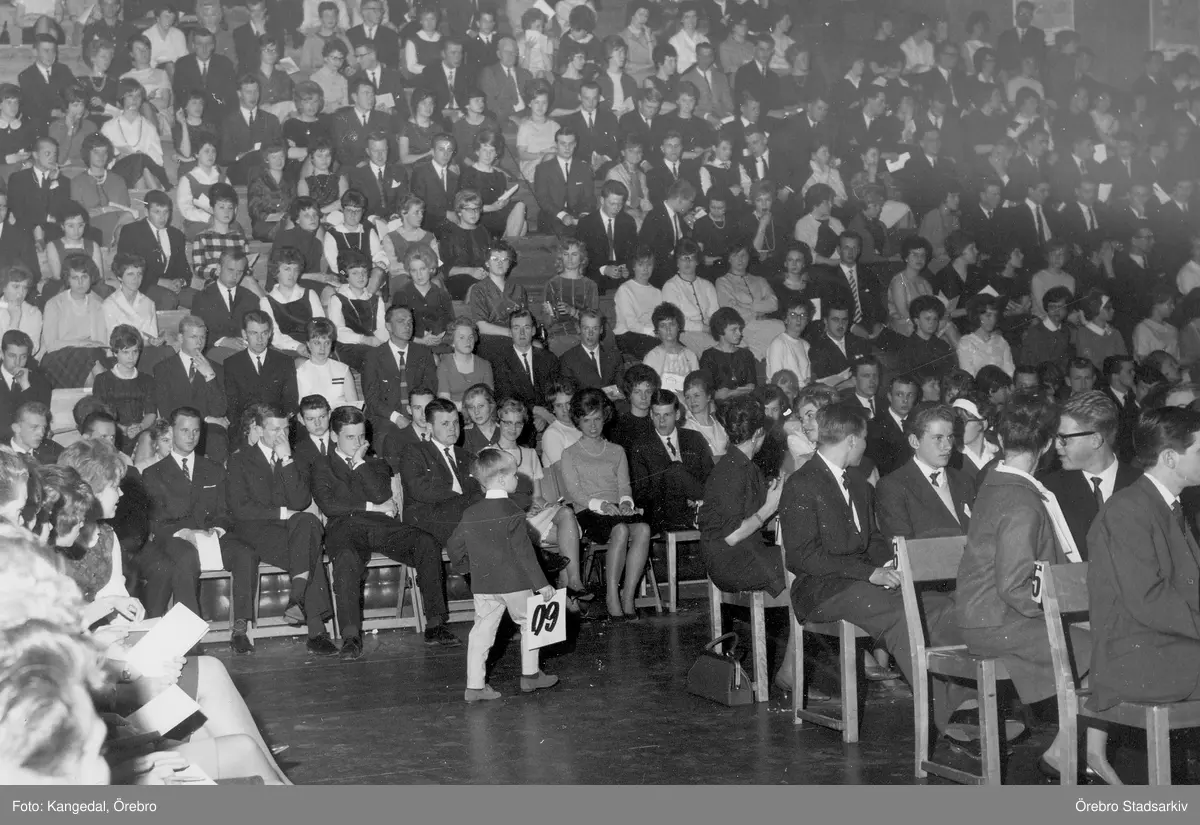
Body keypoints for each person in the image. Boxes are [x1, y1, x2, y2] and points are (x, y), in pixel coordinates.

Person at [782, 402, 971, 750]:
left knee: (936, 607)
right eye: (864, 439)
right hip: (821, 590)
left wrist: (895, 566)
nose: (867, 446)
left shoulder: (858, 485)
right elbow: (803, 557)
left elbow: (873, 541)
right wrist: (870, 573)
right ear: (852, 440)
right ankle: (949, 716)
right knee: (903, 615)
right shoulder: (801, 484)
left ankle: (968, 704)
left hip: (860, 585)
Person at [955, 390, 1119, 782]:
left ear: (1000, 439)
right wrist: (1064, 616)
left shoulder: (998, 482)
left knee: (1106, 638)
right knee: (1110, 648)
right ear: (1046, 445)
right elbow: (1015, 586)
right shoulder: (1021, 501)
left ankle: (1075, 751)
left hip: (990, 615)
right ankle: (1077, 752)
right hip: (1000, 621)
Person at [312, 405, 460, 659]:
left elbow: (382, 494)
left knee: (425, 542)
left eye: (362, 436)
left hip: (381, 527)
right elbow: (330, 506)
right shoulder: (321, 465)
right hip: (345, 528)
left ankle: (435, 625)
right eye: (350, 437)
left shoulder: (375, 462)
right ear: (334, 436)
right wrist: (372, 507)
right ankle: (350, 637)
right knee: (346, 559)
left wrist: (359, 463)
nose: (358, 442)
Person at [1088, 407, 1200, 734]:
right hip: (1139, 657)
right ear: (1169, 458)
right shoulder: (1127, 510)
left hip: (1169, 644)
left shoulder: (1166, 505)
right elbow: (1148, 599)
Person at [448, 447, 560, 702]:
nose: (517, 478)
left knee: (481, 632)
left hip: (483, 585)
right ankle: (530, 676)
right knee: (530, 623)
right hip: (515, 583)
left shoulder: (471, 512)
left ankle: (475, 687)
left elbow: (454, 545)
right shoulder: (512, 511)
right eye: (513, 474)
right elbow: (524, 553)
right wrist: (542, 585)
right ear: (500, 479)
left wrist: (465, 568)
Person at [226, 402, 336, 655]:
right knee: (309, 550)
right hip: (255, 532)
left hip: (290, 532)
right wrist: (283, 513)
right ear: (258, 430)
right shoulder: (239, 459)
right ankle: (316, 631)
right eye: (275, 429)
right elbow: (240, 508)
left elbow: (301, 501)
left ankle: (296, 598)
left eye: (285, 429)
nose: (282, 435)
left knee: (308, 522)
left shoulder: (294, 458)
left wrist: (286, 459)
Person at [137, 406, 252, 621]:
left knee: (245, 554)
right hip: (176, 537)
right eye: (184, 430)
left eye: (196, 431)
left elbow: (225, 511)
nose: (191, 437)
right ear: (171, 431)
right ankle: (190, 631)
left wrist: (217, 530)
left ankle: (241, 624)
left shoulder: (214, 468)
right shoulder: (153, 473)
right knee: (186, 558)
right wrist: (185, 533)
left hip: (210, 535)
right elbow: (156, 521)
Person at [560, 387, 653, 620]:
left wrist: (625, 503)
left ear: (605, 418)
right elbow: (574, 493)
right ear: (578, 421)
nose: (593, 426)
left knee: (643, 529)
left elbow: (624, 486)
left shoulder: (617, 450)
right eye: (586, 420)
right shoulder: (570, 453)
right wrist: (601, 506)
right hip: (589, 511)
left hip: (615, 510)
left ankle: (627, 596)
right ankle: (612, 596)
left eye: (597, 419)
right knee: (620, 530)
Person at [1039, 391, 1141, 561]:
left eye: (1064, 438)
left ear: (1095, 440)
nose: (1056, 445)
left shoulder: (1142, 484)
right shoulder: (1049, 490)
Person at [877, 404, 975, 539]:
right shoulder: (893, 486)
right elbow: (903, 545)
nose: (948, 446)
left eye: (950, 437)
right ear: (914, 441)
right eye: (938, 438)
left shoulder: (964, 480)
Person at [630, 388, 713, 533]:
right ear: (651, 415)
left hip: (697, 506)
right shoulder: (641, 446)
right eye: (657, 415)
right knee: (675, 470)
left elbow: (710, 477)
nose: (661, 421)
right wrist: (680, 493)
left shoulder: (694, 438)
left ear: (677, 414)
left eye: (667, 415)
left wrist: (695, 499)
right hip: (661, 514)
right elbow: (641, 495)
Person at [152, 316, 229, 461]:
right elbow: (167, 410)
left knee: (217, 437)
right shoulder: (163, 369)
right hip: (178, 428)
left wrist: (210, 376)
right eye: (193, 337)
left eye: (202, 337)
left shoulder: (216, 369)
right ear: (181, 338)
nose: (199, 342)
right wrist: (206, 418)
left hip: (208, 432)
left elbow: (219, 410)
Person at [363, 303, 438, 448]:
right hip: (386, 419)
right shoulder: (373, 356)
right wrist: (397, 418)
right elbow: (372, 399)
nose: (407, 326)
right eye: (401, 321)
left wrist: (419, 416)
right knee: (389, 441)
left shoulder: (424, 353)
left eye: (410, 322)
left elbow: (430, 389)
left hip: (420, 416)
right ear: (388, 326)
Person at [223, 310, 299, 443]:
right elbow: (232, 405)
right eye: (254, 333)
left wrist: (276, 427)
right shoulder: (232, 363)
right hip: (246, 428)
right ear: (244, 334)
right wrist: (248, 428)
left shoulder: (285, 361)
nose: (260, 339)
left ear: (270, 334)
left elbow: (290, 401)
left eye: (264, 333)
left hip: (278, 428)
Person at [114, 189, 192, 310]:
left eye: (166, 212)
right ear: (146, 212)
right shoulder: (131, 231)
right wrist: (161, 282)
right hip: (143, 285)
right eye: (157, 212)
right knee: (168, 299)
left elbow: (184, 268)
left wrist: (180, 281)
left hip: (171, 287)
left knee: (201, 298)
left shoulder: (176, 235)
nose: (162, 217)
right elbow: (124, 266)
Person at [40, 254, 107, 389]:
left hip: (89, 357)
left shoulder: (98, 304)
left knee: (92, 362)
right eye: (75, 278)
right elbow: (51, 345)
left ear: (91, 278)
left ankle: (93, 398)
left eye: (84, 277)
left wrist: (87, 346)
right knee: (91, 359)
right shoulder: (54, 304)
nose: (80, 282)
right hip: (57, 357)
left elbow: (101, 342)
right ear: (67, 279)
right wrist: (81, 343)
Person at [491, 309, 561, 435]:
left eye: (526, 327)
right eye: (516, 328)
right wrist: (537, 411)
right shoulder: (500, 361)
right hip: (518, 424)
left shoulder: (549, 358)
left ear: (533, 331)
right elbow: (504, 397)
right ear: (510, 332)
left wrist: (544, 415)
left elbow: (556, 392)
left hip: (549, 420)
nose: (522, 333)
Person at [259, 246, 326, 356]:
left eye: (296, 269)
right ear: (276, 271)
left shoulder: (310, 294)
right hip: (285, 349)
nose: (292, 274)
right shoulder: (266, 301)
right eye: (287, 269)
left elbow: (320, 325)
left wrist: (313, 345)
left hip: (314, 345)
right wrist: (298, 347)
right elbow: (275, 336)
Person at [543, 237, 600, 356]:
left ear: (581, 258)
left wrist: (572, 311)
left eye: (574, 254)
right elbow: (548, 323)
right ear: (561, 257)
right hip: (559, 335)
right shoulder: (552, 284)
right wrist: (549, 314)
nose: (569, 258)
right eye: (566, 254)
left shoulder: (590, 285)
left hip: (585, 334)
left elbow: (593, 318)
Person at [700, 307, 756, 400]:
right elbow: (709, 392)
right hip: (720, 406)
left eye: (740, 329)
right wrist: (735, 392)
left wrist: (730, 393)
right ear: (720, 330)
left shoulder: (746, 354)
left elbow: (752, 385)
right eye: (734, 330)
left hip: (745, 403)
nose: (739, 333)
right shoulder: (709, 356)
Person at [437, 318, 493, 408]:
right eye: (462, 337)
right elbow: (444, 401)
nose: (467, 341)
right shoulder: (444, 365)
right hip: (454, 413)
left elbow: (489, 399)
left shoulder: (485, 365)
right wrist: (468, 408)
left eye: (470, 337)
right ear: (452, 342)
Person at [957, 296, 1014, 377]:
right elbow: (968, 375)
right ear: (977, 316)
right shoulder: (966, 342)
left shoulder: (1001, 341)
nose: (992, 319)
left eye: (995, 315)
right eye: (988, 315)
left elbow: (1010, 372)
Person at [681, 369, 728, 458]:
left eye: (696, 395)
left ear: (708, 396)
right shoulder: (687, 429)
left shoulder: (720, 426)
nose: (692, 401)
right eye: (687, 397)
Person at [765, 300, 812, 389]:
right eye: (793, 315)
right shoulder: (778, 343)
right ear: (785, 319)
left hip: (803, 392)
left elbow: (807, 378)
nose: (799, 319)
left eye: (803, 315)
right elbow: (777, 382)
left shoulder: (806, 345)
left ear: (807, 321)